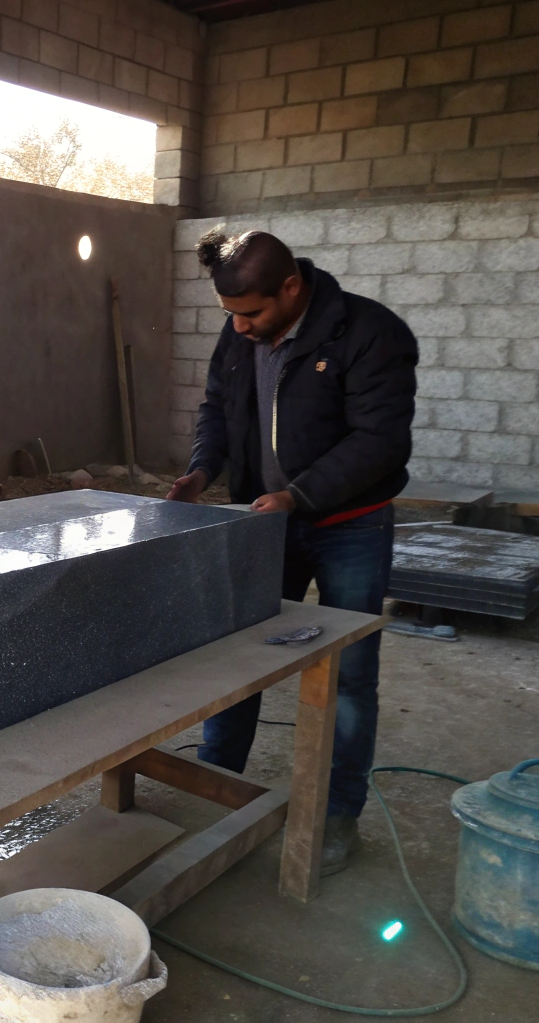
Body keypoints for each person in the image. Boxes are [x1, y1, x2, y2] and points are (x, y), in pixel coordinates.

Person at [167, 228, 416, 876]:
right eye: (230, 315)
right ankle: (215, 786)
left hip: (349, 527)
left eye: (250, 313)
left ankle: (336, 814)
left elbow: (380, 442)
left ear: (290, 286)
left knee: (348, 675)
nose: (239, 327)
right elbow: (217, 407)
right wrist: (202, 469)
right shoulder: (240, 332)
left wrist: (298, 496)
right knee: (237, 658)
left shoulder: (370, 334)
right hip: (264, 523)